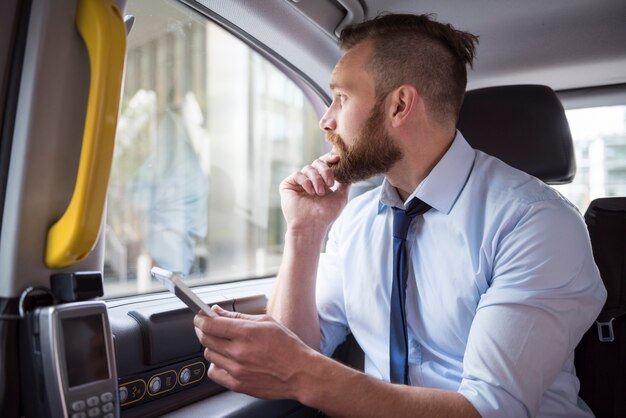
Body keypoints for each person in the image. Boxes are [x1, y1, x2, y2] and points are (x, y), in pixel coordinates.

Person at [193, 13, 606, 417]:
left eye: (341, 97)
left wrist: (302, 373)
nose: (326, 120)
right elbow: (296, 351)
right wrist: (305, 232)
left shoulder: (537, 225)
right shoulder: (356, 220)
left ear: (400, 105)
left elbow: (490, 410)